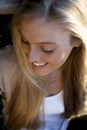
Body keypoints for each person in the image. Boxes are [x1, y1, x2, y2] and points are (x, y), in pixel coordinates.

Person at [0, 0, 87, 130]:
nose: (31, 57)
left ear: (77, 41)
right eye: (25, 41)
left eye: (47, 48)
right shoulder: (6, 64)